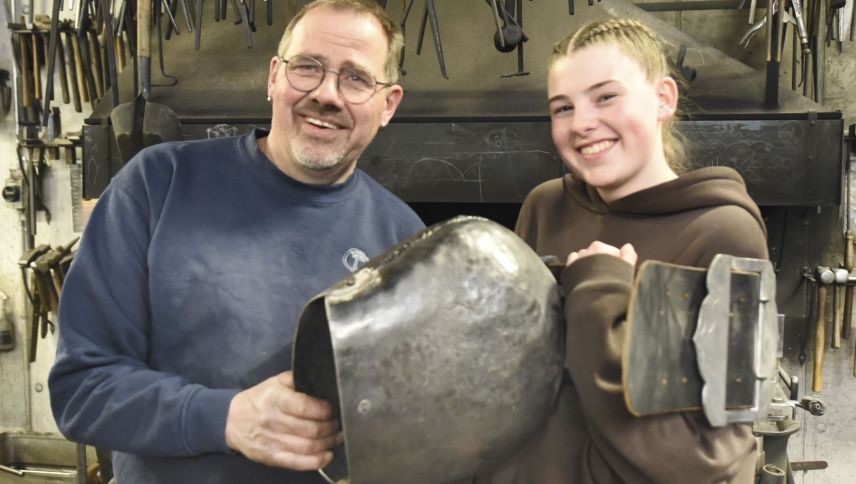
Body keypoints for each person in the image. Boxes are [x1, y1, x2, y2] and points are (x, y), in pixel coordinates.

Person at [48, 1, 424, 483]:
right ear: (274, 78)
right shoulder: (157, 184)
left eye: (356, 78)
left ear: (388, 104)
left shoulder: (404, 240)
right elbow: (81, 390)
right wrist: (226, 419)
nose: (327, 94)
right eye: (308, 67)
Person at [476, 19, 768, 483]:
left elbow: (708, 460)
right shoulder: (546, 205)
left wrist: (600, 291)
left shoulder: (723, 233)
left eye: (606, 96)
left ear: (663, 99)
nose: (583, 123)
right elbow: (518, 383)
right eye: (562, 107)